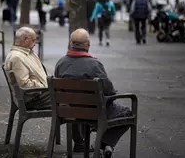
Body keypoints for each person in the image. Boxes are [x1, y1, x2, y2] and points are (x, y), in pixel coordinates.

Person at [54, 28, 132, 158]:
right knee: (127, 112)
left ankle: (81, 143)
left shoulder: (60, 63)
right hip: (94, 112)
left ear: (70, 43)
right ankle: (104, 144)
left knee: (77, 104)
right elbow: (109, 91)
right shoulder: (94, 65)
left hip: (68, 111)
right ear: (88, 44)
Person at [4, 27, 51, 110]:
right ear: (25, 40)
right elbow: (25, 84)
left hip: (40, 93)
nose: (35, 43)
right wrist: (44, 86)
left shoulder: (28, 52)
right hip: (34, 98)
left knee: (67, 96)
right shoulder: (17, 57)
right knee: (66, 99)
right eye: (33, 40)